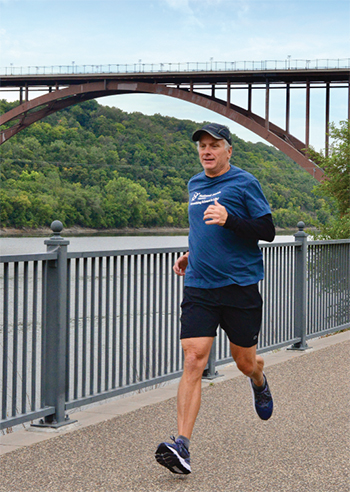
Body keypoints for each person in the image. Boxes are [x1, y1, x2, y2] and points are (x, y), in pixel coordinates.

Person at [155, 123, 275, 475]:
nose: (207, 151)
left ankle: (258, 380)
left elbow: (266, 230)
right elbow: (200, 229)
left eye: (214, 145)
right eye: (202, 146)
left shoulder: (244, 182)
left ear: (228, 150)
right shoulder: (194, 184)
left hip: (239, 287)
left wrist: (230, 220)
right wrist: (192, 254)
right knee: (193, 358)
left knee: (244, 362)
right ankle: (182, 446)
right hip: (199, 286)